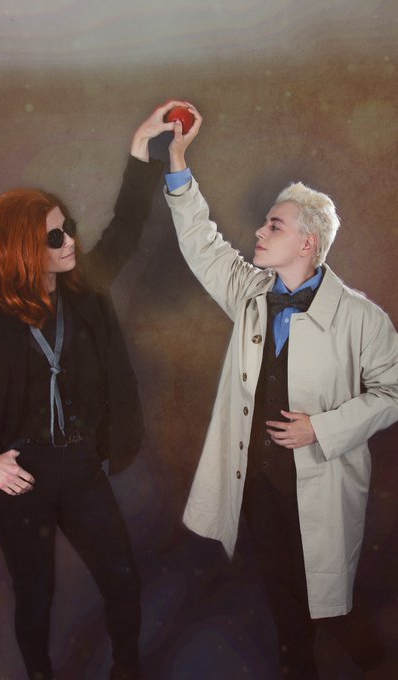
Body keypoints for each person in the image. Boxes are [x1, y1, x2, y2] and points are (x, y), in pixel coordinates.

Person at [0, 101, 184, 680]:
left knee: (122, 578)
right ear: (21, 249)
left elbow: (125, 227)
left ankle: (127, 669)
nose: (69, 240)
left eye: (68, 226)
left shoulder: (86, 291)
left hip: (79, 466)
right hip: (22, 474)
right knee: (36, 595)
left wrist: (140, 145)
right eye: (54, 236)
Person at [162, 103, 398, 678]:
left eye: (274, 226)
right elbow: (203, 243)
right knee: (281, 586)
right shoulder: (249, 291)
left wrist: (322, 428)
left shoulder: (362, 318)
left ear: (308, 244)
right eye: (265, 223)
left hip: (322, 477)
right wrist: (177, 162)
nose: (259, 232)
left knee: (326, 591)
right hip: (260, 481)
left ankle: (364, 647)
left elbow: (392, 392)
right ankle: (299, 668)